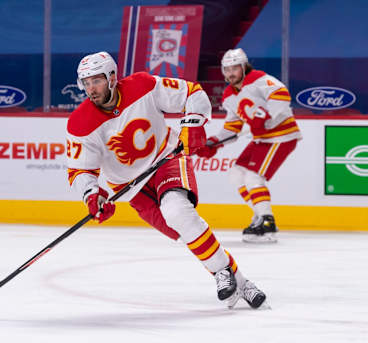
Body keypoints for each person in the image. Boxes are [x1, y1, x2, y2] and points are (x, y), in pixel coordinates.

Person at [66, 51, 267, 309]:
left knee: (178, 212)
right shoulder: (80, 123)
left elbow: (192, 92)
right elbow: (80, 170)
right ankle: (241, 282)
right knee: (184, 231)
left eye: (96, 81)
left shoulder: (142, 85)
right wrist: (92, 195)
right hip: (130, 189)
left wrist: (193, 123)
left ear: (112, 77)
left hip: (166, 158)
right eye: (86, 83)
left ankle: (224, 275)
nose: (91, 89)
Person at [196, 48, 302, 243]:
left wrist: (267, 116)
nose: (230, 73)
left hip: (282, 136)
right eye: (226, 70)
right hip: (262, 139)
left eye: (235, 68)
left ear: (244, 67)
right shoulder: (229, 95)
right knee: (236, 174)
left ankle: (267, 223)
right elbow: (233, 127)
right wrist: (214, 142)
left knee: (254, 176)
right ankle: (261, 215)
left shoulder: (258, 79)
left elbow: (281, 94)